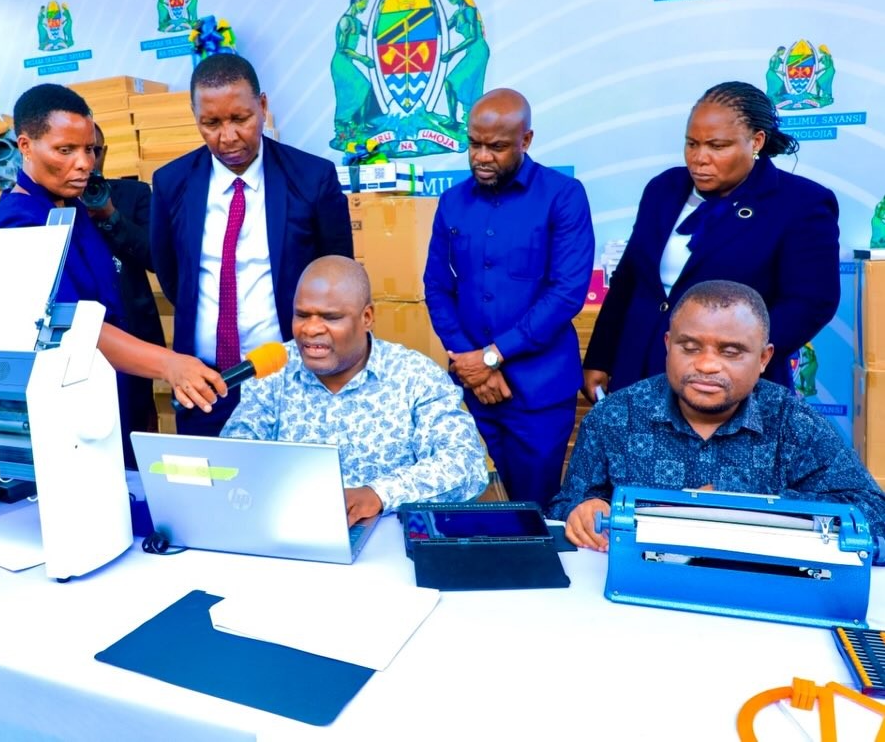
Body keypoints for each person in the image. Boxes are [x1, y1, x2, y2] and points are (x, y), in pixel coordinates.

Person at [0, 84, 226, 465]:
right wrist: (169, 364)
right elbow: (75, 327)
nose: (84, 163)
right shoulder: (18, 222)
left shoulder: (72, 205)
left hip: (114, 386)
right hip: (71, 408)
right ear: (26, 146)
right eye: (65, 150)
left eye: (89, 149)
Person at [551, 280, 885, 552]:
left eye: (731, 352)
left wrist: (752, 503)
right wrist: (583, 511)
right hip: (638, 587)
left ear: (764, 358)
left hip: (762, 587)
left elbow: (874, 513)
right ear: (668, 345)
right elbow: (565, 507)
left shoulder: (795, 424)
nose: (707, 365)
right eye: (690, 348)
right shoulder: (614, 416)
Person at [582, 80, 840, 401]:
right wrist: (600, 356)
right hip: (638, 372)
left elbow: (811, 303)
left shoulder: (800, 203)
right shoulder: (663, 189)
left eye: (717, 146)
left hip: (730, 387)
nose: (699, 158)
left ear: (756, 141)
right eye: (692, 144)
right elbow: (629, 280)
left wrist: (733, 357)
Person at [150, 53, 353, 437]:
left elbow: (339, 278)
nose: (227, 137)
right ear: (195, 116)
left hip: (292, 381)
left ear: (262, 105)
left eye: (240, 119)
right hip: (204, 385)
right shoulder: (170, 183)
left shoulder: (312, 179)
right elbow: (172, 275)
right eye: (211, 123)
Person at [222, 256, 488, 525]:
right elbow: (232, 462)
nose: (311, 329)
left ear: (367, 317)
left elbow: (466, 464)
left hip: (391, 537)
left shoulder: (416, 376)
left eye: (331, 317)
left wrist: (378, 494)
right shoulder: (272, 372)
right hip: (288, 531)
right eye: (302, 315)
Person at [423, 88, 595, 505]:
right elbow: (437, 287)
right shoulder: (452, 202)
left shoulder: (563, 195)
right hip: (472, 388)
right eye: (474, 144)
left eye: (497, 147)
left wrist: (492, 357)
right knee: (469, 503)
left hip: (538, 392)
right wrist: (471, 364)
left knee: (533, 508)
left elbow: (566, 293)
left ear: (526, 140)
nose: (482, 157)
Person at [86, 122, 164, 435]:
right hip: (84, 339)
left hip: (134, 331)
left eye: (93, 150)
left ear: (104, 153)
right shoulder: (56, 202)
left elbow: (156, 257)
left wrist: (111, 215)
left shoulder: (134, 194)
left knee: (138, 425)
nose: (87, 160)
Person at [330, 0, 381, 144]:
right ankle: (345, 123)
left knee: (364, 88)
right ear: (356, 1)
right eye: (364, 3)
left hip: (348, 62)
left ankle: (362, 124)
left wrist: (381, 11)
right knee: (358, 89)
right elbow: (342, 48)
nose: (365, 6)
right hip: (340, 63)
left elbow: (373, 32)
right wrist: (363, 59)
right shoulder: (345, 21)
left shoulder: (357, 23)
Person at [440, 0, 489, 129]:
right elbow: (441, 29)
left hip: (478, 50)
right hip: (472, 51)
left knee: (452, 82)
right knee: (455, 84)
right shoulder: (457, 14)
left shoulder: (470, 11)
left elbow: (473, 37)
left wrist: (452, 51)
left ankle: (454, 120)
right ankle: (455, 120)